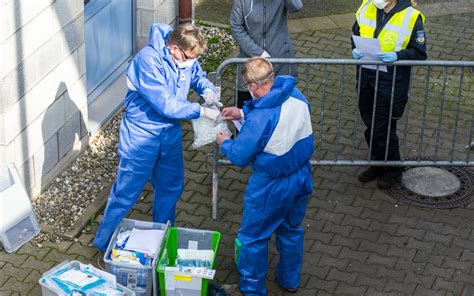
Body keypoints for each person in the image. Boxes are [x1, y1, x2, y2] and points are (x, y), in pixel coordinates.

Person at [93, 23, 221, 255]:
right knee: (126, 192)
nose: (190, 62)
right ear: (173, 48)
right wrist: (201, 111)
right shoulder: (147, 61)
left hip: (168, 135)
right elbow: (166, 104)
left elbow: (196, 75)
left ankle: (161, 238)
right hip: (142, 136)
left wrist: (207, 89)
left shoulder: (185, 54)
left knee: (170, 187)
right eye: (188, 58)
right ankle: (102, 243)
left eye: (194, 58)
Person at [217, 57, 313, 295]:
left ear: (254, 85)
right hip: (301, 175)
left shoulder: (261, 118)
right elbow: (277, 124)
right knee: (291, 230)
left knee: (252, 238)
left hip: (271, 185)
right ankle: (290, 280)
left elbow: (240, 155)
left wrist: (225, 143)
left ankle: (251, 289)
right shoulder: (296, 95)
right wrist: (242, 113)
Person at [352, 0, 427, 189]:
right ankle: (378, 164)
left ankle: (393, 170)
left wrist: (398, 56)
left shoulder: (411, 16)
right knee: (371, 124)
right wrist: (355, 49)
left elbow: (419, 53)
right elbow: (356, 32)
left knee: (383, 128)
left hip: (391, 82)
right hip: (366, 77)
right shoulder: (367, 7)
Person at [230, 0, 303, 108]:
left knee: (281, 108)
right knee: (246, 107)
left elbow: (296, 7)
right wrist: (259, 53)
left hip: (280, 61)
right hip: (250, 63)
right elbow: (236, 27)